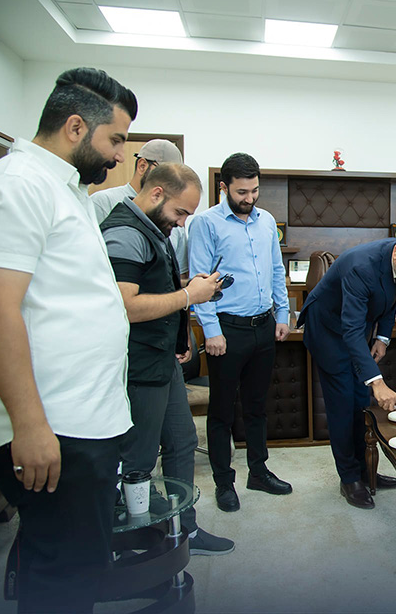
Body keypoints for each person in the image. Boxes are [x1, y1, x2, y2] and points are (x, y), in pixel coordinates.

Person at [0, 67, 136, 612]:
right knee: (64, 575)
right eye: (115, 140)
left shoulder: (67, 191)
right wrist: (29, 426)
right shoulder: (14, 186)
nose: (119, 156)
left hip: (81, 418)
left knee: (77, 564)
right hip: (50, 424)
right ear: (76, 127)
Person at [101, 162, 234, 555]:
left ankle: (183, 531)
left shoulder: (153, 229)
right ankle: (138, 544)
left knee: (181, 441)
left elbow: (152, 287)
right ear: (157, 193)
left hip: (163, 361)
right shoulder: (125, 232)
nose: (181, 223)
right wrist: (190, 296)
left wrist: (191, 287)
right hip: (140, 366)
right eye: (180, 212)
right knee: (139, 460)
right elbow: (125, 306)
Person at [298, 230, 396, 509]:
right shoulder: (361, 266)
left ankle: (365, 470)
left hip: (356, 326)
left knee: (361, 404)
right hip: (328, 329)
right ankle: (349, 479)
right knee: (342, 404)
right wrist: (377, 381)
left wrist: (382, 338)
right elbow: (349, 330)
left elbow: (395, 295)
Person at [187, 153, 292, 513]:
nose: (249, 198)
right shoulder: (206, 224)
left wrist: (281, 313)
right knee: (222, 411)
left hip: (263, 326)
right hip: (227, 330)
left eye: (254, 191)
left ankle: (258, 472)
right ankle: (223, 482)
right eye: (242, 192)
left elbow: (276, 269)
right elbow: (199, 279)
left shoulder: (267, 222)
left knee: (257, 407)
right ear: (224, 187)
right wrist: (211, 330)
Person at [91, 139, 189, 275]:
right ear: (142, 166)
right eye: (166, 175)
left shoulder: (174, 218)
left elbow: (177, 276)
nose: (172, 184)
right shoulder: (103, 202)